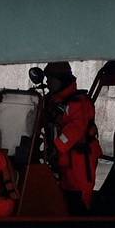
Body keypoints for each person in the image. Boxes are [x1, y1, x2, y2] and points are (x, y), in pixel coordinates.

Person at [42, 61, 102, 215]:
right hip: (65, 160)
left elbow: (74, 129)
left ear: (60, 80)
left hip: (80, 160)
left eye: (50, 79)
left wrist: (56, 147)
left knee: (79, 196)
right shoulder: (55, 101)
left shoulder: (78, 103)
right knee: (65, 195)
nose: (47, 83)